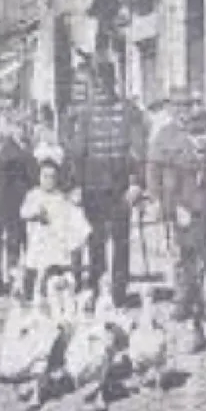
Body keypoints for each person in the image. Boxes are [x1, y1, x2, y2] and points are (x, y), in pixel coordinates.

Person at [74, 60, 147, 307]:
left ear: (113, 83)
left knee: (121, 240)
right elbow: (78, 152)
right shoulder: (84, 114)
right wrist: (75, 185)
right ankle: (95, 287)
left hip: (119, 188)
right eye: (97, 84)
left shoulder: (129, 111)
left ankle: (118, 291)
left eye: (105, 83)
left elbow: (138, 151)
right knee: (94, 240)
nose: (101, 89)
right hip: (92, 188)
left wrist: (137, 183)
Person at [147, 86, 206, 352]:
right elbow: (152, 169)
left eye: (186, 105)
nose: (183, 111)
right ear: (170, 108)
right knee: (178, 255)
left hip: (196, 204)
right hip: (172, 203)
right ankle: (182, 299)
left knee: (197, 255)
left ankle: (198, 301)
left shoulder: (200, 130)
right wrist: (156, 200)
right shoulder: (164, 135)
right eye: (177, 106)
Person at [0, 87, 36, 294]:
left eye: (12, 102)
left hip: (17, 189)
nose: (8, 106)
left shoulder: (23, 128)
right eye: (5, 102)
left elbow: (30, 157)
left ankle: (13, 275)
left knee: (15, 234)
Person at [21, 147, 91, 300]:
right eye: (45, 176)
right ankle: (31, 294)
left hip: (55, 245)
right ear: (39, 177)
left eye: (52, 177)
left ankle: (60, 292)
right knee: (33, 269)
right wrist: (35, 214)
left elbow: (75, 219)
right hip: (37, 244)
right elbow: (24, 212)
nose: (48, 180)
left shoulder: (61, 198)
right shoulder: (33, 195)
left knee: (57, 272)